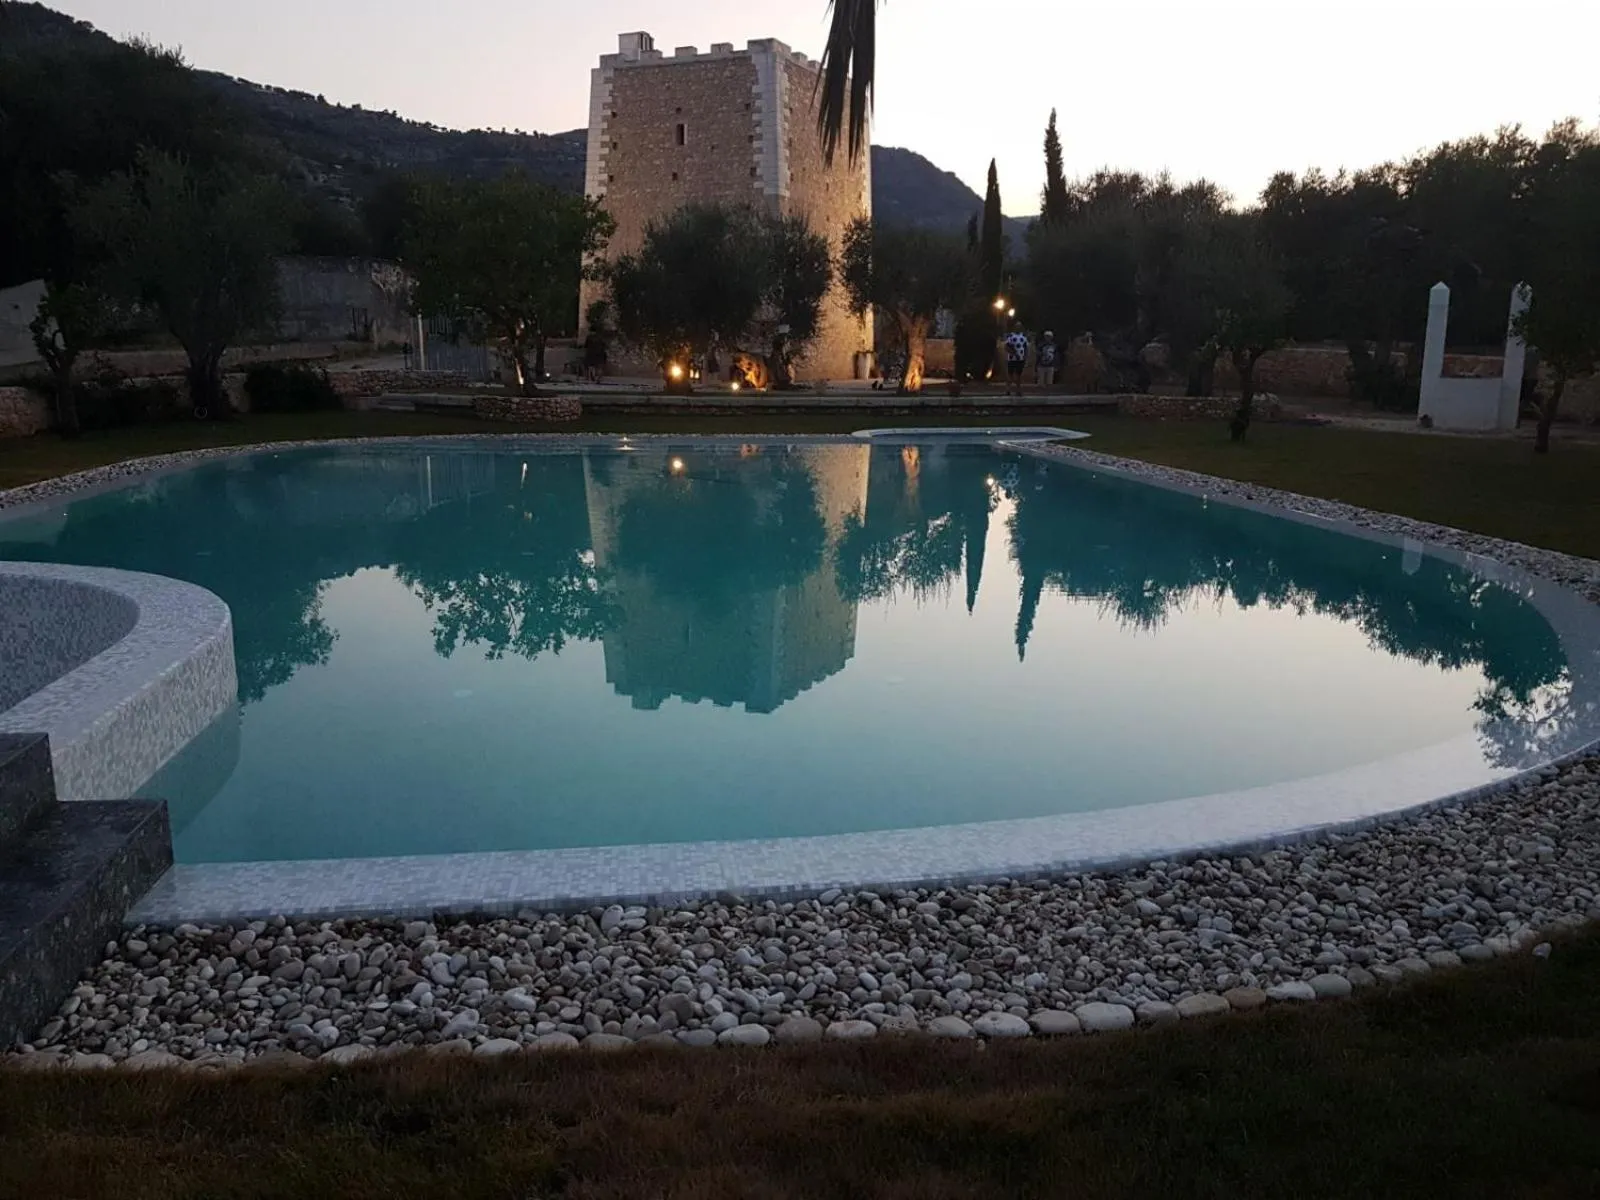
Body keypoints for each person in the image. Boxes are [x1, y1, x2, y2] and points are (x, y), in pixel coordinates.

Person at [1003, 323, 1030, 397]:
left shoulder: (1023, 337)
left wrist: (1025, 356)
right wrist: (1014, 353)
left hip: (1020, 359)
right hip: (1012, 359)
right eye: (1017, 327)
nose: (1018, 328)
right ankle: (1008, 389)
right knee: (1010, 374)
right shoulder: (1011, 336)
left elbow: (1026, 347)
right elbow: (1007, 347)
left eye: (1019, 327)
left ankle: (1018, 390)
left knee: (1019, 375)